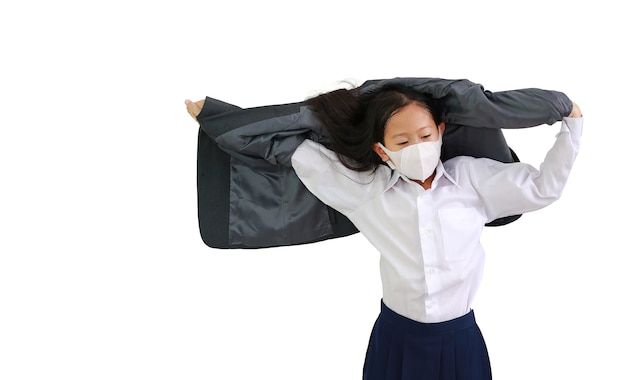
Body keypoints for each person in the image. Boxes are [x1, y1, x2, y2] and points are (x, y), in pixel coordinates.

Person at [185, 82, 583, 380]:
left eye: (426, 136)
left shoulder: (472, 180)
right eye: (402, 140)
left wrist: (572, 126)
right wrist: (216, 114)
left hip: (461, 338)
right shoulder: (365, 191)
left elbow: (543, 187)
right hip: (398, 338)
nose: (418, 146)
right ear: (382, 150)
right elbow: (290, 147)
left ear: (441, 133)